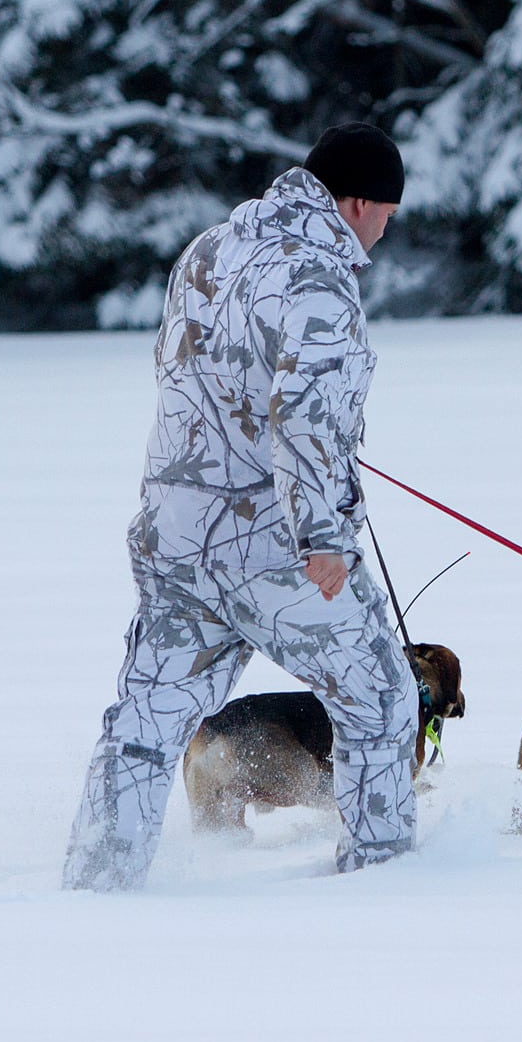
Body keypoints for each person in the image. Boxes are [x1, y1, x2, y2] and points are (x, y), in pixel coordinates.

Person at [64, 123, 415, 890]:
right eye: (387, 210)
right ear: (355, 202)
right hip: (274, 547)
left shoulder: (208, 250)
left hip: (176, 536)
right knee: (384, 696)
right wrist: (322, 533)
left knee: (147, 725)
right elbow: (306, 417)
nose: (386, 228)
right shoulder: (320, 282)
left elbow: (184, 369)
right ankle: (384, 880)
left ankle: (95, 883)